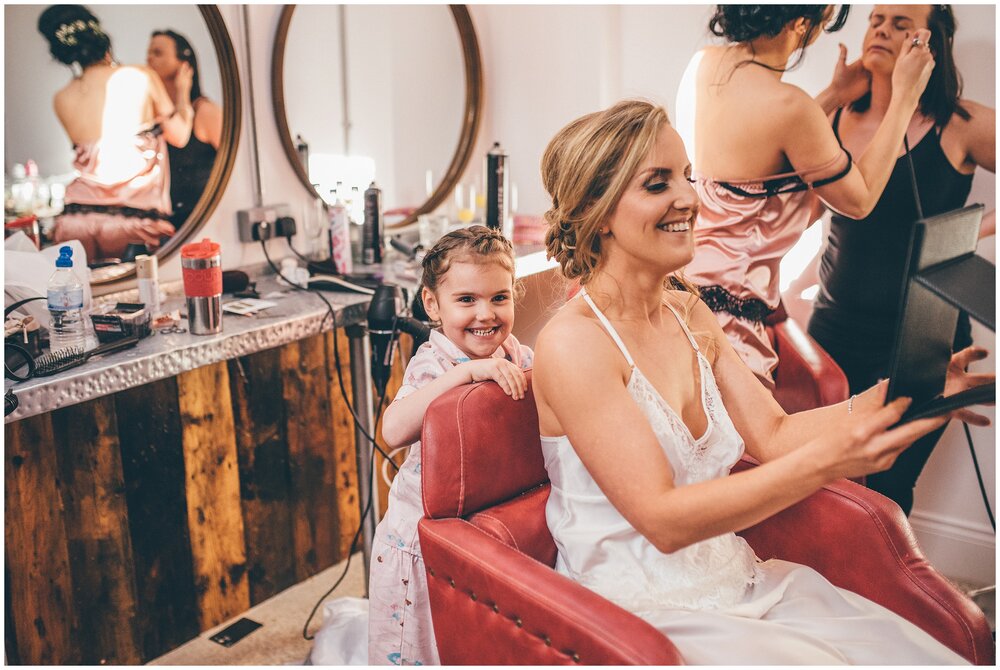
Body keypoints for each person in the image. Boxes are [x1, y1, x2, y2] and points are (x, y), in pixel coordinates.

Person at [532, 99, 991, 664]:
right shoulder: (574, 344)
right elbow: (663, 520)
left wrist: (905, 394)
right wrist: (827, 463)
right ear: (599, 212)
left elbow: (772, 433)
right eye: (658, 184)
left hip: (740, 582)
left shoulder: (687, 312)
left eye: (687, 176)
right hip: (639, 615)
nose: (689, 199)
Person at [675, 5, 935, 389]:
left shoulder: (705, 64)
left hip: (683, 296)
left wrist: (834, 95)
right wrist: (905, 98)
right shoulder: (791, 107)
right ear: (801, 23)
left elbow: (759, 145)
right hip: (730, 324)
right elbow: (859, 201)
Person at [806, 5, 996, 515]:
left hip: (924, 341)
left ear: (932, 44)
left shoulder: (962, 124)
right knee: (823, 485)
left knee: (885, 493)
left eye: (900, 23)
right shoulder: (834, 119)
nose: (882, 30)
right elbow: (778, 204)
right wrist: (832, 95)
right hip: (834, 332)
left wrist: (972, 230)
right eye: (876, 19)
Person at [369, 225, 534, 666]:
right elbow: (392, 429)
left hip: (476, 531)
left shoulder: (517, 353)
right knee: (417, 650)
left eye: (500, 297)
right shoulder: (434, 364)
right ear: (432, 304)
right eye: (466, 300)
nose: (486, 314)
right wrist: (464, 375)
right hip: (418, 542)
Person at [38, 5, 193, 262]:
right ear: (103, 40)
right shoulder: (140, 75)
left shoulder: (61, 98)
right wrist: (184, 94)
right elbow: (179, 135)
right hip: (136, 222)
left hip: (75, 222)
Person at [147, 29, 222, 229]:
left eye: (158, 52)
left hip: (203, 221)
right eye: (149, 52)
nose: (149, 58)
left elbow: (235, 166)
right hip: (166, 223)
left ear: (183, 63)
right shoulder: (156, 115)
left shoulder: (205, 111)